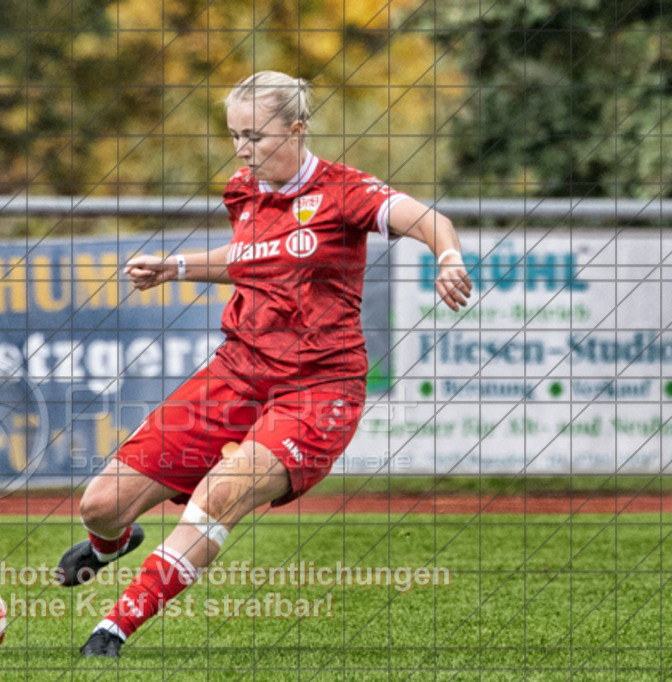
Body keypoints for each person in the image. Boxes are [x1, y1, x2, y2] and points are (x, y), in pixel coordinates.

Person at [55, 71, 473, 658]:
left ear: (297, 129)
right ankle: (106, 548)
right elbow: (253, 258)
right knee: (100, 505)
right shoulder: (243, 190)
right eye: (234, 136)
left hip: (318, 390)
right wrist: (175, 268)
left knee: (221, 493)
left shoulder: (345, 192)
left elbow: (430, 221)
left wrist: (447, 256)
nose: (242, 150)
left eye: (253, 135)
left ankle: (113, 628)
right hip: (237, 371)